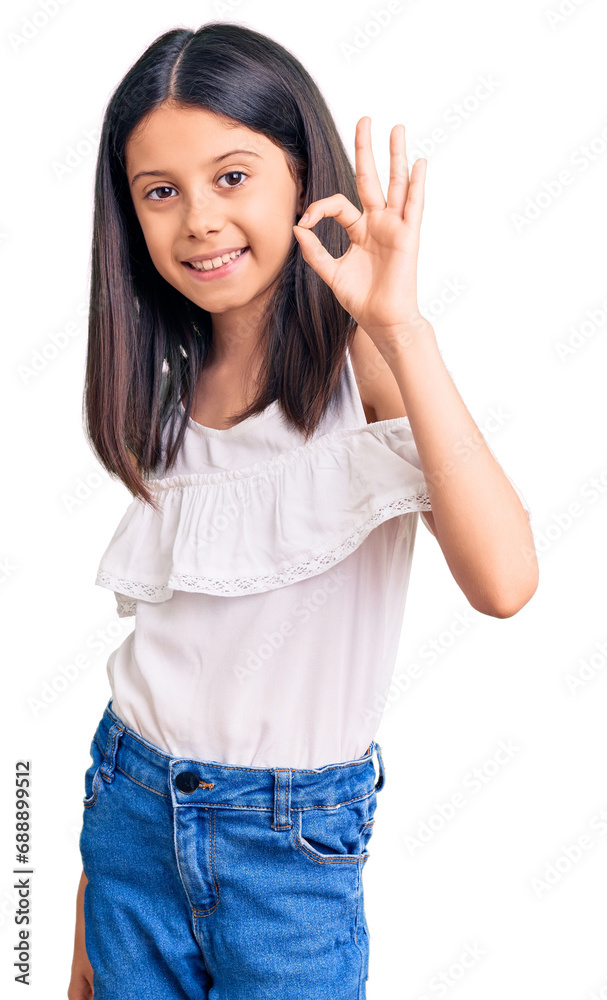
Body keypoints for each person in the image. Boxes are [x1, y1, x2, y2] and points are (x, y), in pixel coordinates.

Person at [68, 21, 538, 1000]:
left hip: (288, 855)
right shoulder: (165, 381)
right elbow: (156, 674)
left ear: (299, 169)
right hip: (129, 809)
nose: (198, 217)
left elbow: (504, 579)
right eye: (161, 192)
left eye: (231, 175)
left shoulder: (359, 360)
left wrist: (398, 325)